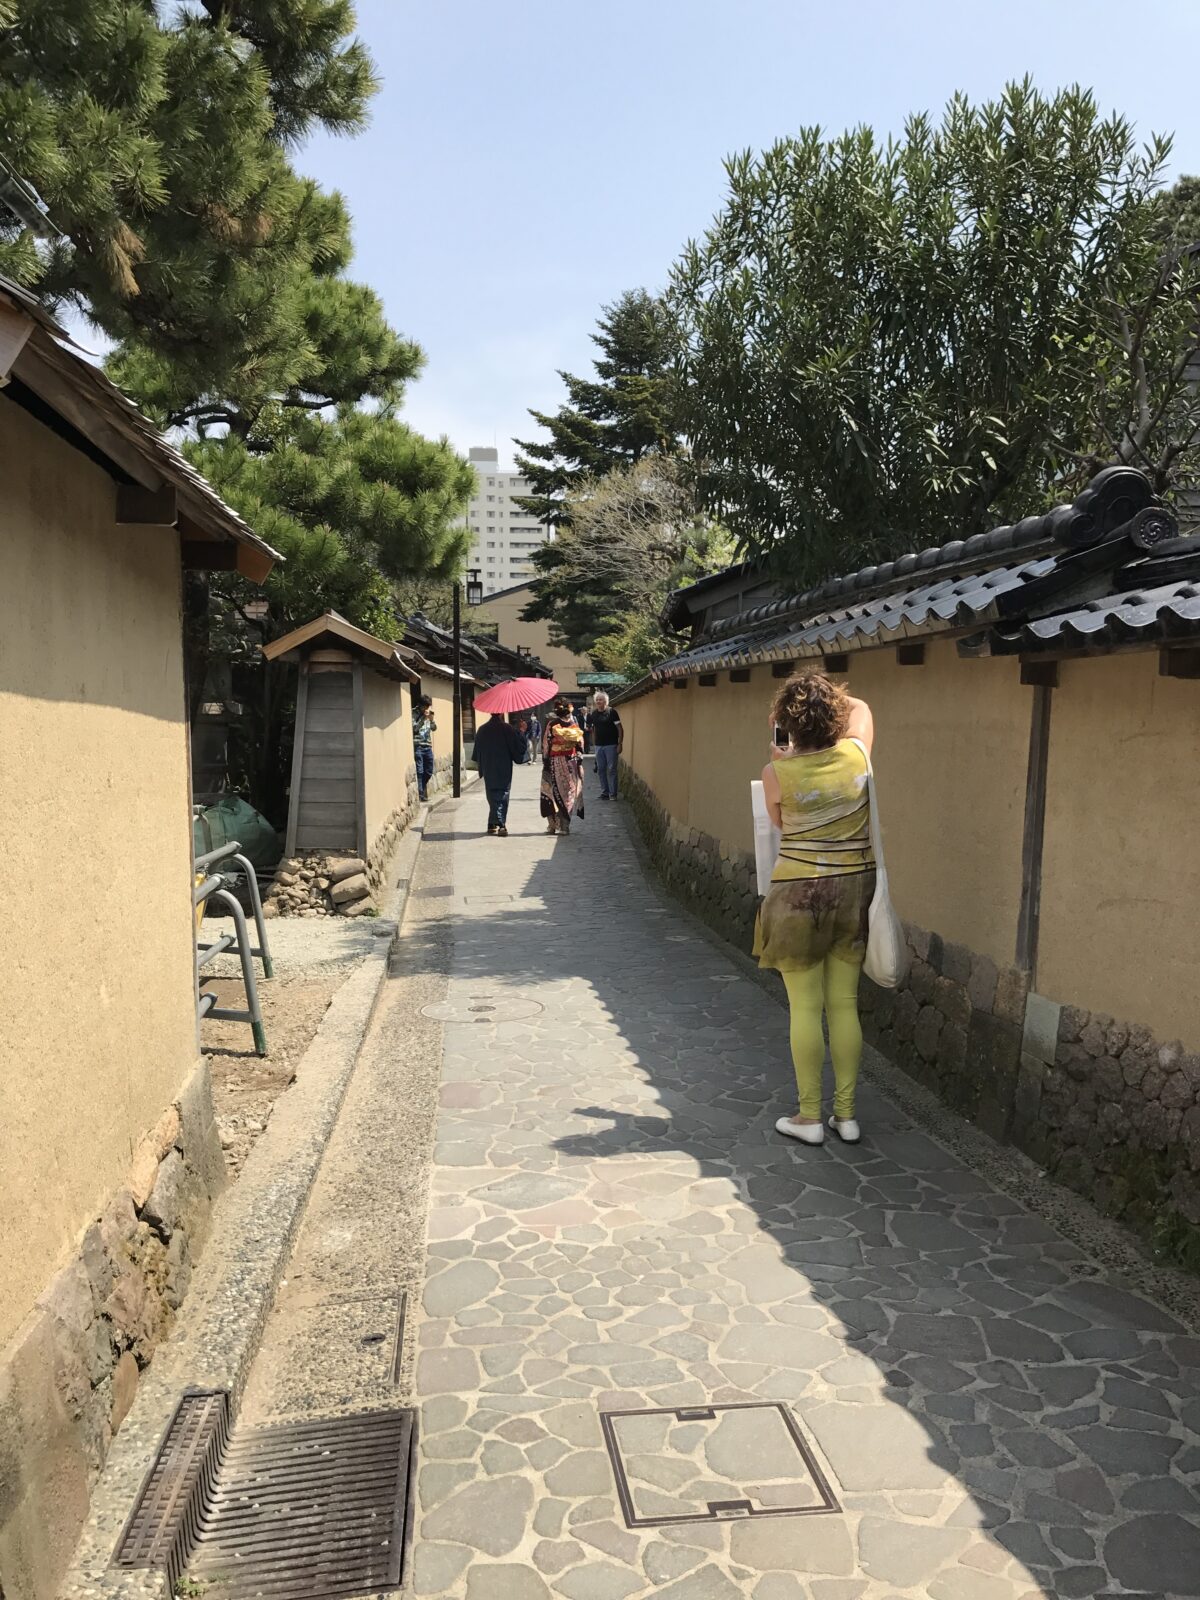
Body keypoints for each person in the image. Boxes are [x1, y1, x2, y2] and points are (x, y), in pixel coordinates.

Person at [755, 673, 876, 1147]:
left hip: (796, 893)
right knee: (844, 1003)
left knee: (805, 1007)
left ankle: (809, 1116)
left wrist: (784, 744)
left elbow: (781, 823)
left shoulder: (776, 774)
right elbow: (862, 709)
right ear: (835, 717)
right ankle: (846, 1115)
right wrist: (829, 699)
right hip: (853, 889)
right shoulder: (857, 754)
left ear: (786, 723)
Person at [472, 712, 526, 836]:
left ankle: (491, 823)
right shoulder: (508, 729)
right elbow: (518, 748)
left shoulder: (482, 729)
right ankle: (501, 824)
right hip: (504, 765)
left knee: (491, 793)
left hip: (488, 765)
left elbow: (477, 752)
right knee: (503, 793)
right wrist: (522, 732)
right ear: (501, 713)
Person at [540, 698, 585, 835]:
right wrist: (579, 755)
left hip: (554, 762)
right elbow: (580, 743)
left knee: (550, 792)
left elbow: (546, 744)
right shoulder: (574, 725)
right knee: (568, 793)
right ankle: (565, 826)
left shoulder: (552, 724)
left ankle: (552, 826)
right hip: (571, 761)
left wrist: (545, 760)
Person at [587, 691, 623, 800]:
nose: (598, 701)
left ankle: (613, 794)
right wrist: (594, 744)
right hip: (599, 746)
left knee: (612, 769)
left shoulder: (612, 712)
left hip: (611, 745)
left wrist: (620, 743)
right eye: (597, 700)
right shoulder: (594, 714)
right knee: (601, 769)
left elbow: (620, 728)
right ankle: (605, 792)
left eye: (601, 699)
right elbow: (593, 729)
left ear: (606, 701)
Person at [412, 694, 436, 801]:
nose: (426, 709)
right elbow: (414, 729)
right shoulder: (414, 713)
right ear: (420, 705)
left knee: (429, 771)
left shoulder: (428, 714)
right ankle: (421, 794)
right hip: (418, 745)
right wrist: (423, 719)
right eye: (425, 706)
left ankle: (420, 788)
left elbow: (434, 728)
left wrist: (431, 720)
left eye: (428, 707)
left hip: (428, 746)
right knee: (420, 771)